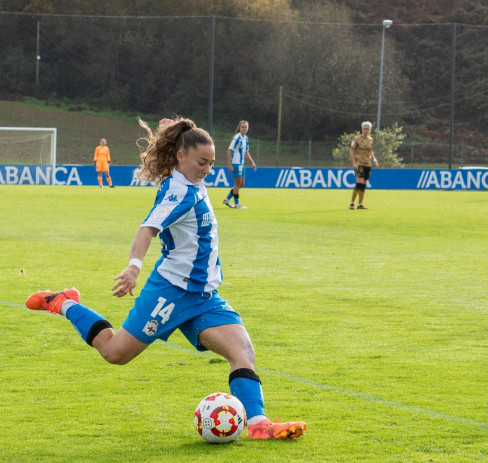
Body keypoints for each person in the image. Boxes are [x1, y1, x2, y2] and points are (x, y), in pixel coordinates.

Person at [25, 117, 307, 438]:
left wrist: (176, 127)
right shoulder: (178, 193)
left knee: (242, 352)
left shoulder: (191, 180)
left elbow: (190, 144)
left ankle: (258, 425)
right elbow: (147, 230)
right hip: (170, 293)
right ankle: (63, 302)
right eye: (202, 162)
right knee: (115, 353)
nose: (207, 169)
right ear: (181, 157)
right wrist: (133, 267)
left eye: (211, 163)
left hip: (204, 297)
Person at [223, 120, 256, 209]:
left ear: (248, 128)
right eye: (242, 127)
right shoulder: (236, 138)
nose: (244, 128)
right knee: (237, 184)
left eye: (246, 127)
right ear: (239, 128)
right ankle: (237, 204)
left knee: (241, 184)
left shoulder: (246, 138)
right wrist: (229, 164)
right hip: (236, 163)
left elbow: (246, 152)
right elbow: (229, 150)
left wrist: (252, 162)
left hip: (241, 164)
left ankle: (227, 199)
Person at [349, 121, 378, 210]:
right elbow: (351, 151)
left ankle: (360, 204)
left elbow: (370, 151)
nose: (366, 130)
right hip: (359, 164)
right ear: (362, 129)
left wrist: (374, 160)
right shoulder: (356, 139)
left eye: (368, 129)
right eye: (364, 129)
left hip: (367, 164)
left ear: (370, 130)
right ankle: (352, 203)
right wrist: (354, 163)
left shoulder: (370, 139)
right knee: (359, 183)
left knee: (364, 184)